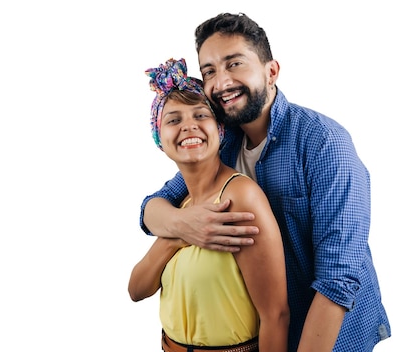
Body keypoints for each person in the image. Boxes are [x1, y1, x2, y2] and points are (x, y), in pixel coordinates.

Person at [139, 13, 391, 352]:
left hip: (329, 334)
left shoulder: (325, 144)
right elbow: (153, 207)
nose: (221, 82)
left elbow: (338, 280)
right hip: (263, 334)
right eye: (209, 71)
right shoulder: (223, 143)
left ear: (271, 71)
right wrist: (185, 225)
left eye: (234, 64)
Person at [128, 58, 289, 352]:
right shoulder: (183, 206)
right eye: (174, 120)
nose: (188, 126)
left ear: (219, 129)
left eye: (200, 116)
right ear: (159, 139)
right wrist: (177, 236)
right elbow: (136, 290)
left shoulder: (240, 197)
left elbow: (275, 316)